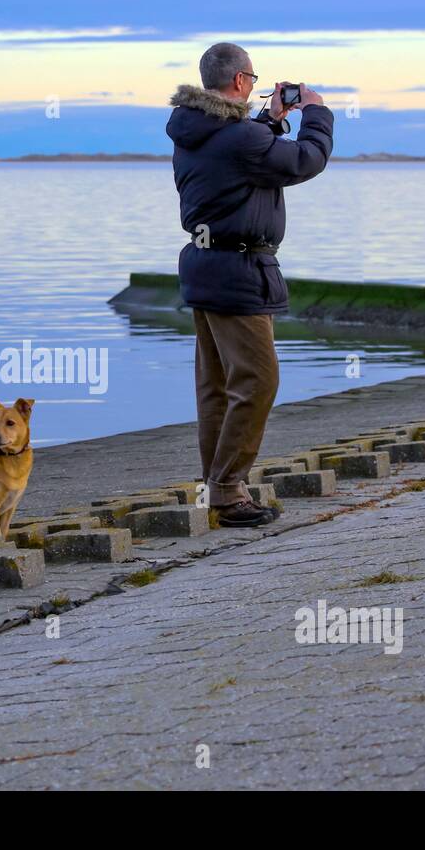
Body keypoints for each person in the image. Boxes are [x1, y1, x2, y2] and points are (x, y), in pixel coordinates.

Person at [166, 42, 334, 527]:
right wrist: (316, 113)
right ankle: (227, 489)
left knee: (217, 386)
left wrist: (270, 119)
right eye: (253, 80)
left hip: (204, 265)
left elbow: (243, 150)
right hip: (237, 273)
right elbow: (305, 160)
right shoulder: (237, 138)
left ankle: (218, 487)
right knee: (258, 381)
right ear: (240, 82)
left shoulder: (193, 131)